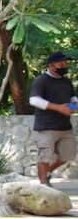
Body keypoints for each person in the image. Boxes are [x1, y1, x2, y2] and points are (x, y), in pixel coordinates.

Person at [29, 51, 78, 185]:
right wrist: (59, 108)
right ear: (51, 65)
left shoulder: (66, 81)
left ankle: (47, 172)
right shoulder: (41, 80)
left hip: (65, 127)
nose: (65, 65)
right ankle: (44, 185)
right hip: (46, 127)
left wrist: (73, 107)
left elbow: (73, 98)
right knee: (44, 157)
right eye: (61, 63)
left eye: (66, 63)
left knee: (68, 155)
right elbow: (34, 100)